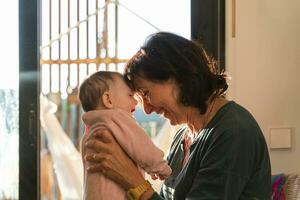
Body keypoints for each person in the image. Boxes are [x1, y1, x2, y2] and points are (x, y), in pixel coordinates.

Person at [83, 32, 272, 200]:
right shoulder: (182, 137)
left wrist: (132, 179)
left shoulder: (233, 132)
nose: (147, 110)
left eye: (146, 94)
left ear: (179, 78)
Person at [78, 71, 172, 200]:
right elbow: (141, 145)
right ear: (108, 99)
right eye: (130, 95)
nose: (135, 102)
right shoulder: (117, 117)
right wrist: (158, 166)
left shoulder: (90, 132)